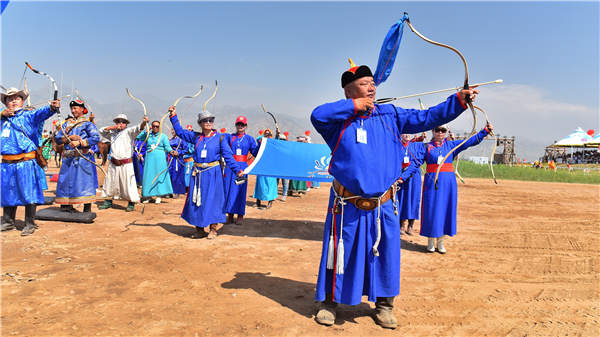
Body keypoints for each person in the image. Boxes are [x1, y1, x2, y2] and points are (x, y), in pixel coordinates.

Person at [310, 62, 477, 328]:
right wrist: (355, 108)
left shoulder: (390, 115)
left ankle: (385, 305)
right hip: (347, 205)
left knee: (385, 254)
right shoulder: (337, 121)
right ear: (349, 91)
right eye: (365, 84)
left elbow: (427, 118)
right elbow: (317, 114)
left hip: (382, 204)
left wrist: (458, 101)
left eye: (373, 84)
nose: (372, 87)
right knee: (339, 252)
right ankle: (329, 303)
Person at [410, 123, 492, 254]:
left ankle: (441, 242)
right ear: (433, 131)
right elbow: (413, 156)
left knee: (444, 210)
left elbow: (469, 142)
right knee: (432, 210)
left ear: (446, 132)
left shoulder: (452, 145)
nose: (440, 133)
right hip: (432, 184)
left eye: (443, 130)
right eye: (438, 130)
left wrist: (485, 131)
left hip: (448, 185)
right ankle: (431, 241)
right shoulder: (427, 147)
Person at [167, 106, 243, 239]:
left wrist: (238, 170)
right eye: (205, 120)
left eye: (211, 120)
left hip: (213, 174)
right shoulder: (196, 137)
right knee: (197, 200)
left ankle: (213, 229)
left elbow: (229, 157)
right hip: (198, 175)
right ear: (200, 123)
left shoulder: (220, 138)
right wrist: (173, 116)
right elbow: (179, 131)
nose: (208, 122)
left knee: (213, 201)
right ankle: (199, 229)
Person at [1, 88, 60, 235]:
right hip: (7, 163)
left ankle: (30, 223)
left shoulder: (29, 115)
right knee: (8, 193)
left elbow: (42, 113)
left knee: (29, 192)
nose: (14, 100)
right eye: (10, 98)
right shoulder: (2, 119)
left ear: (22, 101)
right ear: (5, 103)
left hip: (25, 162)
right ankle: (8, 221)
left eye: (17, 98)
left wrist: (52, 107)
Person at [54, 99, 100, 214]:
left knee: (84, 182)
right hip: (68, 158)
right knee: (66, 181)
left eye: (76, 108)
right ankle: (66, 205)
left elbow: (95, 137)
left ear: (82, 109)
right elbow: (58, 138)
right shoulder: (66, 124)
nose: (73, 110)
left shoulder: (87, 124)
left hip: (82, 158)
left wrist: (80, 142)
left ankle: (87, 207)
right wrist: (69, 138)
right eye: (72, 108)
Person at [97, 114, 149, 212]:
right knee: (110, 183)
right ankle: (108, 201)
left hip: (126, 163)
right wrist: (112, 127)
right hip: (113, 162)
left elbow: (139, 128)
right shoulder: (112, 133)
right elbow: (101, 130)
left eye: (123, 122)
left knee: (128, 183)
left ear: (126, 124)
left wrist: (144, 122)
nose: (120, 124)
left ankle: (131, 202)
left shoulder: (129, 132)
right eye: (118, 122)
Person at [223, 116, 258, 225]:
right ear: (236, 125)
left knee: (240, 190)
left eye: (242, 124)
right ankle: (230, 214)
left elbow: (255, 152)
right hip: (230, 167)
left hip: (242, 168)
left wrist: (262, 143)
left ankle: (240, 215)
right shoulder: (230, 137)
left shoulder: (249, 139)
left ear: (246, 126)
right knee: (228, 190)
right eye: (238, 124)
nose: (240, 126)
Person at [136, 120, 175, 204]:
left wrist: (171, 151)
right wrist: (147, 130)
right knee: (148, 176)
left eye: (157, 126)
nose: (155, 128)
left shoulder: (163, 136)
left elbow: (167, 147)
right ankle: (148, 196)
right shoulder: (148, 136)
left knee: (159, 176)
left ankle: (158, 195)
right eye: (153, 126)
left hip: (160, 158)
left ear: (159, 127)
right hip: (149, 158)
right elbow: (138, 137)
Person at [397, 133, 423, 235]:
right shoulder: (397, 146)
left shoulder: (417, 145)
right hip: (400, 177)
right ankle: (402, 224)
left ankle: (411, 225)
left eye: (409, 133)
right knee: (402, 199)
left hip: (414, 177)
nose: (407, 135)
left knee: (413, 200)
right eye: (404, 133)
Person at [253, 128, 278, 209]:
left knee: (271, 184)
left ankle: (270, 202)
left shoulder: (273, 144)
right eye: (266, 134)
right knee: (260, 184)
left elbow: (277, 142)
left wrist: (277, 134)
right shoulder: (261, 143)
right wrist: (261, 141)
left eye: (269, 134)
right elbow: (255, 151)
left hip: (271, 167)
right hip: (262, 166)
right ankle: (258, 201)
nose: (267, 136)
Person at [168, 129, 189, 197]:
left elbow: (186, 149)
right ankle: (170, 191)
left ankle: (177, 191)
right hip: (171, 159)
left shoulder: (181, 140)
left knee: (177, 175)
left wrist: (179, 153)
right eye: (172, 130)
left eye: (174, 130)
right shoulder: (170, 140)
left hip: (178, 160)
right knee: (170, 174)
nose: (173, 131)